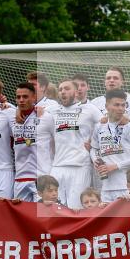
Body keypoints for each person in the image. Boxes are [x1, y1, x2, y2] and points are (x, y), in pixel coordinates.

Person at [48, 78, 101, 208]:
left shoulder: (90, 109)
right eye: (60, 90)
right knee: (55, 209)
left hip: (80, 166)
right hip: (57, 167)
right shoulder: (51, 110)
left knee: (76, 208)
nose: (63, 92)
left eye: (66, 89)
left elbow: (107, 125)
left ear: (76, 91)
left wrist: (94, 143)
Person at [91, 89, 130, 203]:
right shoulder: (99, 127)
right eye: (116, 105)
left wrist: (115, 166)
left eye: (123, 105)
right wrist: (96, 160)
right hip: (106, 187)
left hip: (126, 187)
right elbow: (94, 149)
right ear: (107, 106)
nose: (121, 108)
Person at [12, 82, 54, 202]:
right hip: (20, 178)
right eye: (18, 97)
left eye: (25, 97)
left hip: (41, 177)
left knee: (43, 217)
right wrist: (16, 111)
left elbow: (57, 142)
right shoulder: (12, 117)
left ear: (34, 97)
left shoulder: (46, 116)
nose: (21, 100)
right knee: (21, 218)